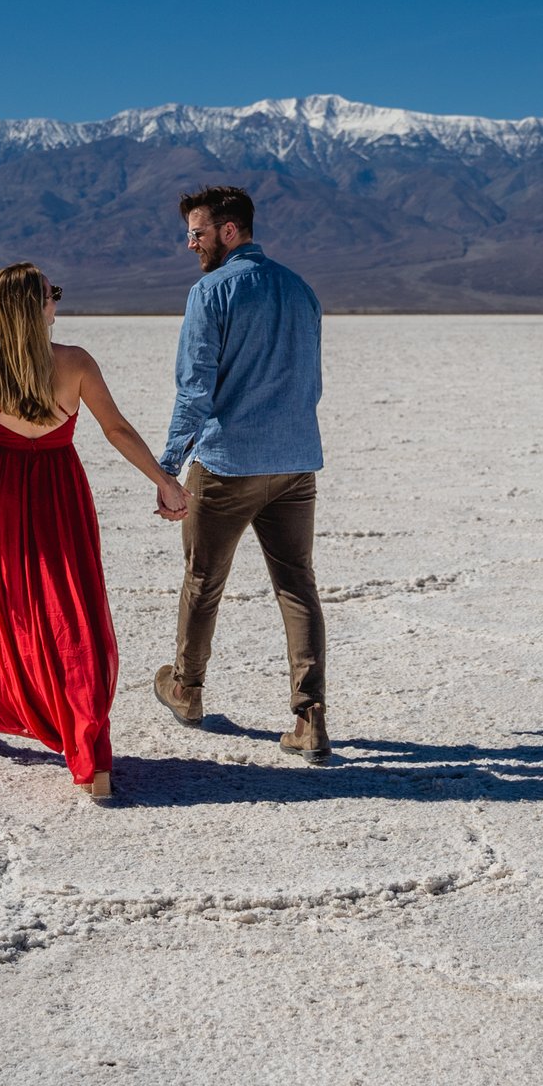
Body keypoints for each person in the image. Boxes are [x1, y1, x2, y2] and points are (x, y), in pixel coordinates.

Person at [0, 262, 186, 804]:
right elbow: (116, 429)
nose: (58, 300)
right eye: (52, 293)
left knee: (6, 614)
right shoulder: (74, 363)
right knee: (73, 616)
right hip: (58, 493)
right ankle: (88, 754)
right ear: (35, 307)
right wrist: (165, 481)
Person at [150, 185, 334, 763]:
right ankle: (310, 718)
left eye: (198, 233)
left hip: (229, 465)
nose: (190, 244)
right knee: (297, 584)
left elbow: (195, 386)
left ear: (230, 231)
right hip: (295, 463)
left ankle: (187, 688)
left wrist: (168, 467)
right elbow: (313, 383)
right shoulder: (301, 290)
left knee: (204, 578)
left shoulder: (212, 291)